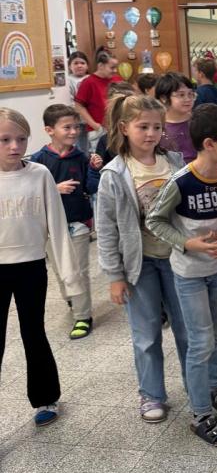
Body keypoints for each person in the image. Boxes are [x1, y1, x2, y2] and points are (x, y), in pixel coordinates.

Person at [147, 104, 217, 447]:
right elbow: (154, 221)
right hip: (190, 276)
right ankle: (201, 414)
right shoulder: (181, 181)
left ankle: (213, 387)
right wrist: (188, 243)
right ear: (210, 144)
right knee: (200, 342)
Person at [96, 94, 188, 422]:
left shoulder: (175, 162)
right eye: (143, 127)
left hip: (177, 260)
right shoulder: (114, 174)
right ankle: (151, 394)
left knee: (188, 329)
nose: (151, 134)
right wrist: (115, 276)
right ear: (124, 128)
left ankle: (199, 385)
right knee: (146, 334)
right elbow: (107, 229)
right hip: (140, 265)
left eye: (157, 127)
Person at [0, 107, 84, 426]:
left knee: (33, 332)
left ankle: (46, 396)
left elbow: (57, 228)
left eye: (21, 139)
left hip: (31, 267)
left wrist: (71, 277)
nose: (14, 146)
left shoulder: (40, 174)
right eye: (5, 139)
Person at [29, 104, 99, 339]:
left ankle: (83, 316)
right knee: (61, 270)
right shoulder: (38, 161)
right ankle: (72, 299)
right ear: (49, 130)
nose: (73, 132)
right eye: (66, 127)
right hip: (50, 226)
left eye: (76, 127)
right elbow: (32, 193)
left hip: (78, 222)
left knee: (78, 272)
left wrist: (94, 170)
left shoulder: (81, 157)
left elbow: (91, 187)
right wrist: (54, 189)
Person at [74, 51, 121, 148]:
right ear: (100, 66)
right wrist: (95, 125)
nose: (115, 70)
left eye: (116, 67)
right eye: (112, 68)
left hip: (117, 128)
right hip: (99, 130)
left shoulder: (117, 80)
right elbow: (79, 106)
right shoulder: (88, 82)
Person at [156, 72, 197, 163]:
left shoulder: (199, 120)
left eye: (190, 94)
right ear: (164, 98)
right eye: (181, 95)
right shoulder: (158, 126)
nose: (188, 99)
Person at [67, 50, 90, 152]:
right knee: (81, 145)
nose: (79, 66)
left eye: (82, 63)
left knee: (94, 144)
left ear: (87, 66)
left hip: (93, 119)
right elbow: (70, 100)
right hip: (78, 120)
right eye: (75, 63)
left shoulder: (91, 79)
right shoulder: (68, 80)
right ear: (69, 66)